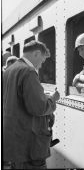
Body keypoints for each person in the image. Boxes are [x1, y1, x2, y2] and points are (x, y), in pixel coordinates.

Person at [3, 40, 60, 169]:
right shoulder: (28, 71)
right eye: (43, 59)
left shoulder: (9, 70)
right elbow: (39, 108)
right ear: (36, 53)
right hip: (29, 145)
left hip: (14, 143)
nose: (41, 64)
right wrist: (52, 99)